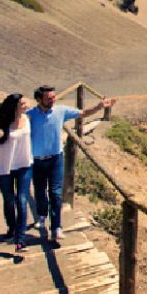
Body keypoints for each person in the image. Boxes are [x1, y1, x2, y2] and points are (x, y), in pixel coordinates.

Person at [28, 85, 115, 241]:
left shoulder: (60, 110)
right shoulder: (31, 115)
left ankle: (56, 228)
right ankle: (41, 216)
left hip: (56, 159)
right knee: (40, 190)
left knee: (55, 193)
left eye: (54, 97)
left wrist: (99, 107)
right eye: (49, 98)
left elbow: (82, 113)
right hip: (37, 161)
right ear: (39, 100)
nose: (53, 100)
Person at [0, 93, 33, 253]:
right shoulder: (2, 124)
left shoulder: (28, 119)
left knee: (22, 200)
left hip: (24, 166)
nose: (26, 106)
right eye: (23, 104)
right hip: (5, 169)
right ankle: (12, 229)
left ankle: (21, 240)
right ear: (14, 106)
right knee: (9, 201)